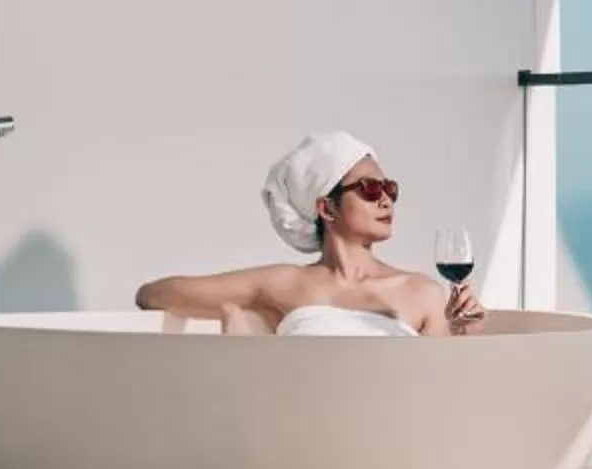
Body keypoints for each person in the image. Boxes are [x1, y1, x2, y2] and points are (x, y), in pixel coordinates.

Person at [133, 131, 483, 337]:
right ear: (326, 208)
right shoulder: (281, 284)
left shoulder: (422, 292)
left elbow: (444, 392)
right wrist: (234, 313)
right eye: (370, 189)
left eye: (390, 188)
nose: (386, 199)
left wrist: (464, 333)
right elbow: (153, 294)